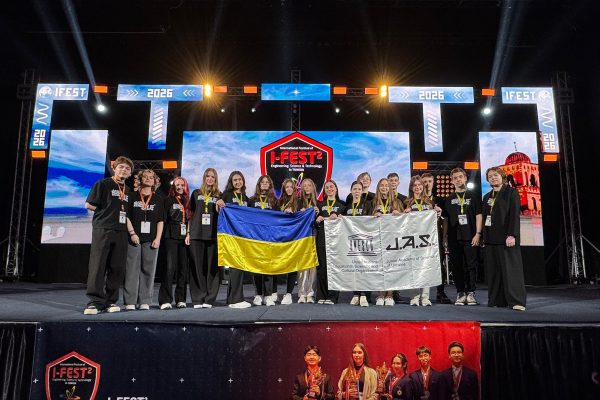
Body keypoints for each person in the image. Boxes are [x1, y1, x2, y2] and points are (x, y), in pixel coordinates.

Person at [83, 156, 134, 315]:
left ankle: (110, 301)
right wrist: (106, 213)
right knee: (98, 266)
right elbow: (88, 204)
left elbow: (126, 213)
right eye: (121, 167)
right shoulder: (103, 184)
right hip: (103, 229)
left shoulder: (128, 190)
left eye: (127, 168)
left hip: (121, 231)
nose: (124, 170)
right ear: (114, 168)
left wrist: (131, 232)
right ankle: (95, 302)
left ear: (130, 173)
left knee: (117, 267)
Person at [482, 166, 527, 311]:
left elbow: (514, 215)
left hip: (507, 238)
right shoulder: (487, 196)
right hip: (491, 238)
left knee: (511, 271)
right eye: (490, 176)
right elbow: (485, 217)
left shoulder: (511, 192)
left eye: (495, 175)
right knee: (494, 272)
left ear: (502, 176)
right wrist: (484, 237)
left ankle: (517, 301)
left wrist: (512, 234)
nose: (493, 178)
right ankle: (497, 300)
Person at [123, 169, 164, 310]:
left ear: (154, 181)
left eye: (151, 177)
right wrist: (132, 233)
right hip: (133, 237)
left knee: (148, 270)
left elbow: (160, 220)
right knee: (131, 270)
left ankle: (145, 301)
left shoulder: (158, 199)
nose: (148, 179)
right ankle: (130, 301)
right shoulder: (132, 196)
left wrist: (158, 238)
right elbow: (126, 216)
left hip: (151, 239)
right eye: (145, 177)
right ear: (140, 180)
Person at [442, 168, 482, 306]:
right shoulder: (449, 199)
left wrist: (478, 234)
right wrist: (445, 237)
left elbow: (479, 216)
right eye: (455, 178)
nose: (458, 179)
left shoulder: (473, 196)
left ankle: (470, 292)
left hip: (471, 236)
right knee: (456, 266)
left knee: (471, 265)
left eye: (460, 177)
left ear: (465, 178)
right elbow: (446, 220)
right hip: (454, 238)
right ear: (452, 181)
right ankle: (460, 292)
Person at [187, 168, 221, 309]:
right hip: (196, 234)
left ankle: (209, 299)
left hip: (213, 236)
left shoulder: (219, 195)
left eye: (213, 177)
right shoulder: (196, 193)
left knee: (212, 268)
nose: (210, 179)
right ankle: (197, 299)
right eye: (208, 176)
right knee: (197, 268)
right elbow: (190, 214)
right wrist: (188, 232)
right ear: (204, 178)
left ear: (215, 179)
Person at [404, 176, 439, 306]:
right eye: (415, 185)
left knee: (426, 266)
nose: (417, 187)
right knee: (413, 267)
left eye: (419, 185)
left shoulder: (429, 202)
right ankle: (414, 296)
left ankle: (425, 296)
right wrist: (404, 213)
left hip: (426, 240)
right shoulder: (407, 202)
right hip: (412, 239)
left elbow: (434, 220)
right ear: (411, 188)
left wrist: (436, 212)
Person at [219, 171, 252, 309]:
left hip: (243, 236)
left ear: (243, 181)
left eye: (239, 179)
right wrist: (219, 202)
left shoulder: (246, 198)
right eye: (235, 180)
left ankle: (232, 299)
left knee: (238, 266)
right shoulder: (227, 195)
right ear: (231, 182)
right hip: (231, 235)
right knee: (235, 266)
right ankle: (236, 299)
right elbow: (219, 206)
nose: (237, 182)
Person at [158, 176, 191, 310]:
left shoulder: (188, 201)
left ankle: (181, 299)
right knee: (169, 268)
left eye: (182, 185)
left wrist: (188, 233)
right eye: (177, 185)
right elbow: (163, 219)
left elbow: (190, 219)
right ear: (173, 186)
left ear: (185, 187)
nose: (180, 187)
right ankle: (165, 300)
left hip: (184, 238)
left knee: (183, 269)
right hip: (170, 236)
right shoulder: (168, 200)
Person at [368, 178, 401, 306]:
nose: (384, 187)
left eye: (386, 185)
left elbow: (403, 220)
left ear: (390, 188)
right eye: (382, 185)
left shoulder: (396, 202)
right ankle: (381, 294)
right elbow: (366, 219)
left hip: (392, 238)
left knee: (391, 267)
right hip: (378, 238)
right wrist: (373, 214)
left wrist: (398, 213)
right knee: (380, 267)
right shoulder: (373, 202)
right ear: (378, 187)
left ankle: (390, 294)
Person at [421, 173, 451, 305]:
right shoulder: (417, 199)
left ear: (433, 183)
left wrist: (444, 237)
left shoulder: (440, 200)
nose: (427, 184)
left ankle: (440, 292)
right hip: (421, 238)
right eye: (424, 182)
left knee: (439, 265)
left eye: (429, 181)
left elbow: (445, 220)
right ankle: (420, 294)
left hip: (436, 236)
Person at [249, 175, 279, 306]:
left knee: (268, 267)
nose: (265, 184)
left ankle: (268, 295)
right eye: (262, 182)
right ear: (259, 184)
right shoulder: (251, 200)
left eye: (267, 182)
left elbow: (279, 218)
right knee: (256, 267)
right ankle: (257, 295)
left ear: (270, 185)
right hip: (255, 237)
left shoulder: (275, 201)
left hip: (269, 238)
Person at [315, 180, 345, 304]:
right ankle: (321, 295)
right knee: (322, 267)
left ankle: (333, 296)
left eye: (332, 187)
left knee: (334, 266)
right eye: (327, 187)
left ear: (336, 189)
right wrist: (317, 219)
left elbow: (348, 222)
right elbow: (313, 222)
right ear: (324, 190)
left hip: (337, 239)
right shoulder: (319, 204)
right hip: (322, 237)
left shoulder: (342, 205)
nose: (329, 189)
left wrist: (340, 217)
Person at [345, 181, 370, 307]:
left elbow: (371, 221)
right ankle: (356, 294)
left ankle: (364, 294)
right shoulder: (347, 206)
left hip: (364, 241)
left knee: (363, 268)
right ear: (351, 191)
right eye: (354, 189)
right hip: (351, 241)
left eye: (359, 189)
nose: (357, 191)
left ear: (362, 191)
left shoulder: (367, 204)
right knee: (354, 268)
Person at [276, 178, 300, 305]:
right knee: (276, 264)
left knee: (291, 265)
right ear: (284, 189)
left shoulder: (299, 201)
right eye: (287, 187)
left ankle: (289, 293)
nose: (289, 189)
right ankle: (273, 292)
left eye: (291, 187)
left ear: (294, 188)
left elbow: (302, 216)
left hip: (293, 237)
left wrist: (298, 212)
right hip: (279, 237)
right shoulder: (279, 201)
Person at [297, 178, 319, 304]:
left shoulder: (319, 202)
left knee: (313, 264)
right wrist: (299, 213)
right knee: (302, 263)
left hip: (314, 234)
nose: (306, 187)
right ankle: (301, 293)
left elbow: (321, 218)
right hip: (302, 236)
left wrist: (318, 213)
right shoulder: (299, 202)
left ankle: (310, 293)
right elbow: (293, 217)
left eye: (309, 185)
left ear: (313, 187)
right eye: (304, 185)